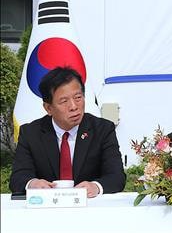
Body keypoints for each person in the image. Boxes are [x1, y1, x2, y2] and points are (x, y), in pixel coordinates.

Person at [10, 66, 126, 197]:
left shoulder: (103, 129)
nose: (74, 107)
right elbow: (18, 177)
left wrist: (96, 186)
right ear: (48, 108)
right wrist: (32, 183)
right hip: (46, 209)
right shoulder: (30, 133)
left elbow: (117, 177)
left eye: (78, 97)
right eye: (64, 101)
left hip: (90, 209)